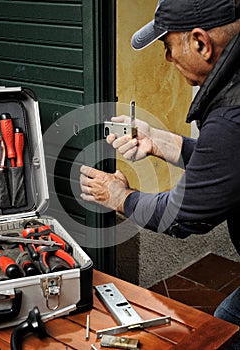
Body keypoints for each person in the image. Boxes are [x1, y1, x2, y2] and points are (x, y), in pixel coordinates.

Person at [80, 0, 240, 348]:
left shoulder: (231, 114)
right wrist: (158, 140)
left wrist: (118, 196)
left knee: (222, 336)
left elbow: (181, 216)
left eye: (168, 46)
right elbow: (226, 167)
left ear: (200, 42)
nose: (167, 59)